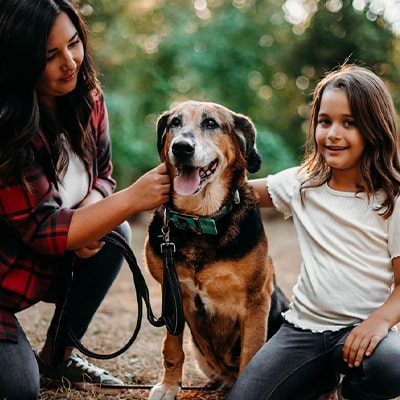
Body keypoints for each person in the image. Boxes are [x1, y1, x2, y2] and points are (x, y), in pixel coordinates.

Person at [0, 0, 170, 399]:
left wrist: (95, 212)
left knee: (114, 231)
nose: (70, 62)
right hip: (8, 275)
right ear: (21, 62)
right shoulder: (8, 128)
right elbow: (44, 230)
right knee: (17, 391)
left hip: (46, 265)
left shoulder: (88, 97)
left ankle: (59, 357)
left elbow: (103, 177)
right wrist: (133, 198)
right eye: (50, 56)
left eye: (74, 43)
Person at [228, 64, 400, 400]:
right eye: (325, 121)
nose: (333, 134)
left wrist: (379, 321)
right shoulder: (302, 184)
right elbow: (240, 194)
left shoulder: (392, 199)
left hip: (365, 332)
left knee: (393, 367)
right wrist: (194, 177)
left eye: (349, 123)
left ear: (375, 128)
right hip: (303, 330)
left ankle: (350, 389)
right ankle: (317, 379)